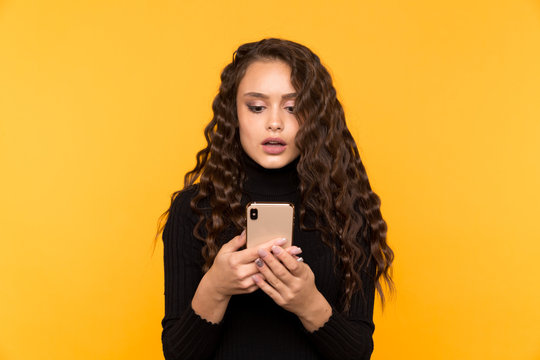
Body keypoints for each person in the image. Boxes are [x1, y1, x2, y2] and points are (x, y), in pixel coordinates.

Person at [154, 38, 395, 360]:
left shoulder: (349, 212)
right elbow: (178, 355)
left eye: (293, 108)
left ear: (316, 117)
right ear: (233, 114)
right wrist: (216, 286)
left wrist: (308, 303)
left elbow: (357, 353)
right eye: (256, 107)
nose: (275, 123)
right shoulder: (194, 209)